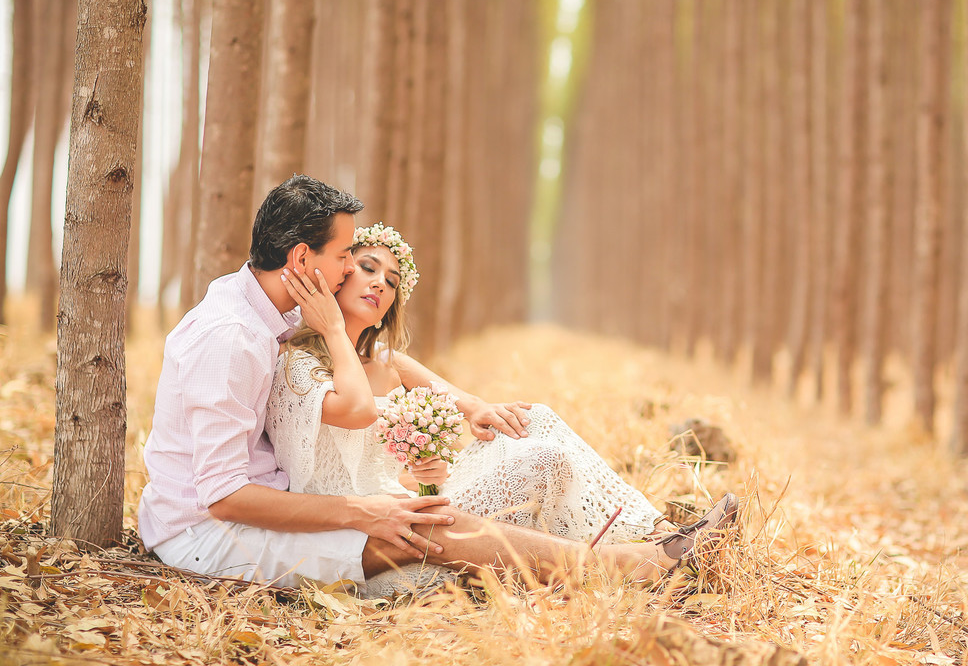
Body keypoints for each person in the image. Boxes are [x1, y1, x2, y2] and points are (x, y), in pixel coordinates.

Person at [138, 175, 736, 594]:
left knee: (467, 479)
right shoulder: (234, 338)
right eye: (348, 256)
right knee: (421, 529)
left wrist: (462, 407)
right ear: (301, 259)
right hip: (207, 533)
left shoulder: (275, 309)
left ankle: (652, 541)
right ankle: (632, 565)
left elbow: (385, 363)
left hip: (276, 498)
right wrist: (362, 510)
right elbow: (222, 496)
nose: (355, 270)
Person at [265, 221, 696, 597]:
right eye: (367, 268)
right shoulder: (299, 365)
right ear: (337, 276)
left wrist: (453, 439)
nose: (380, 283)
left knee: (535, 418)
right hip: (371, 537)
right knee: (543, 460)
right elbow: (355, 417)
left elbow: (464, 403)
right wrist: (334, 328)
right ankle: (637, 559)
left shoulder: (384, 358)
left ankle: (657, 534)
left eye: (392, 281)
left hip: (409, 504)